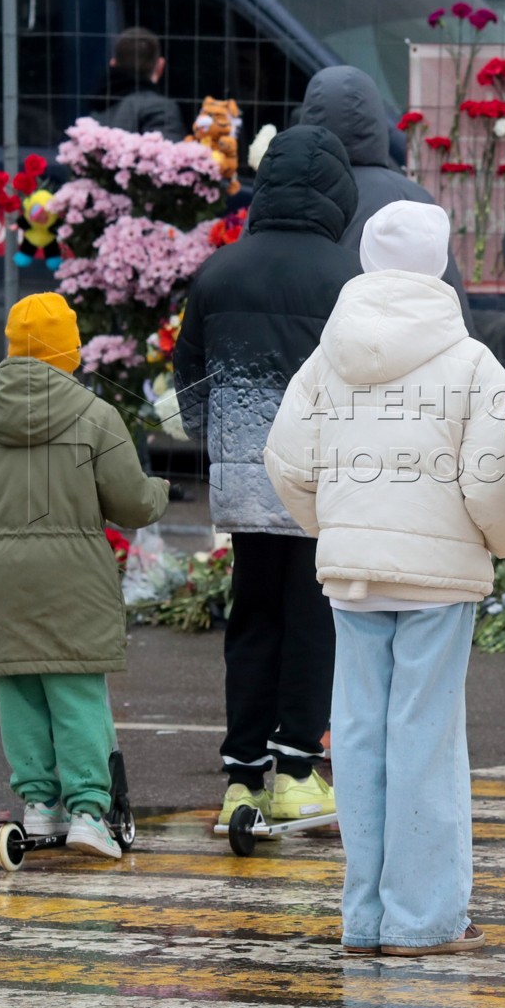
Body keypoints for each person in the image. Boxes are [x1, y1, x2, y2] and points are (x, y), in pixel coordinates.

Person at [265, 200, 505, 957]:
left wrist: (340, 528)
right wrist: (501, 541)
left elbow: (286, 460)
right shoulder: (471, 361)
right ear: (440, 264)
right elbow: (499, 479)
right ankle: (423, 919)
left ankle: (364, 917)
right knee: (426, 739)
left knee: (355, 736)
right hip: (438, 580)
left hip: (354, 576)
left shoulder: (329, 356)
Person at [173, 123, 361, 828]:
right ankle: (295, 771)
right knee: (313, 622)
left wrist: (222, 444)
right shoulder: (349, 279)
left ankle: (241, 776)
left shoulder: (221, 271)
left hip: (246, 485)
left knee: (251, 620)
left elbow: (189, 384)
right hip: (323, 482)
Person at [0, 293, 170, 857]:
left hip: (4, 582)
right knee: (76, 694)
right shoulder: (97, 417)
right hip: (74, 579)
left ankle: (39, 806)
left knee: (21, 692)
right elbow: (133, 505)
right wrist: (160, 492)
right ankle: (88, 812)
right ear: (70, 351)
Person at [294, 65, 475, 329]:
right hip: (394, 351)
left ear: (309, 115)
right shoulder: (410, 197)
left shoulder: (284, 190)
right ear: (376, 120)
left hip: (301, 358)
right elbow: (450, 302)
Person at [91, 27, 184, 137]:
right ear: (160, 66)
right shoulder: (161, 109)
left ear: (113, 64)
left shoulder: (96, 112)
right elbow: (166, 152)